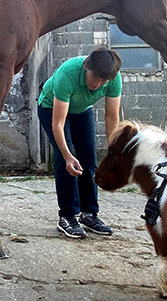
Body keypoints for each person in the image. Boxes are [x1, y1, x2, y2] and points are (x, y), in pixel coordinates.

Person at [38, 47, 122, 239]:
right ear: (86, 67)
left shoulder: (113, 78)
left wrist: (113, 153)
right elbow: (58, 125)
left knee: (88, 158)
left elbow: (111, 118)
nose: (98, 84)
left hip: (82, 110)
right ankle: (67, 216)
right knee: (64, 159)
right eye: (95, 77)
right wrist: (68, 156)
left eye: (103, 81)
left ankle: (89, 214)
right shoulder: (68, 74)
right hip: (51, 108)